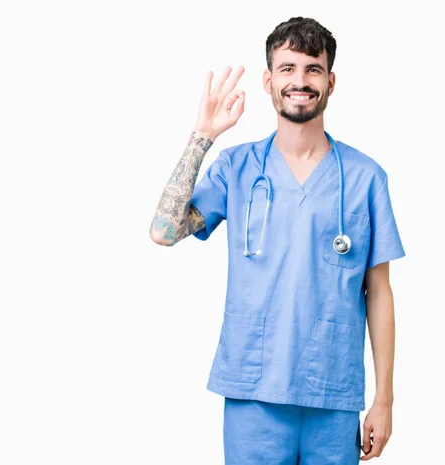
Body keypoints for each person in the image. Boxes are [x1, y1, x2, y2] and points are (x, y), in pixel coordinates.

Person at [150, 16, 406, 465]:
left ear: (330, 81)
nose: (300, 81)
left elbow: (379, 292)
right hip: (253, 390)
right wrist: (203, 138)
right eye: (287, 68)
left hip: (333, 392)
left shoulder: (366, 178)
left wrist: (384, 398)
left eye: (312, 68)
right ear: (269, 81)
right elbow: (163, 231)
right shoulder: (238, 168)